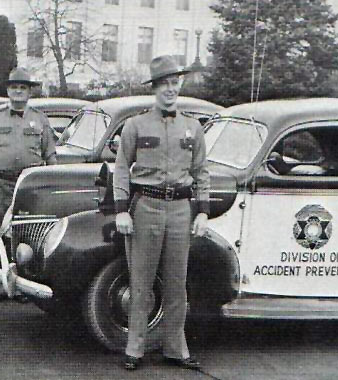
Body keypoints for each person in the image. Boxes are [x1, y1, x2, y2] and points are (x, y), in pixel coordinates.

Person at [113, 55, 210, 371]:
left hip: (181, 209)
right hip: (147, 207)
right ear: (154, 87)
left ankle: (175, 348)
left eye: (174, 82)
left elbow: (201, 171)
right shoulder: (136, 125)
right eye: (164, 83)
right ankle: (135, 348)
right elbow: (121, 169)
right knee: (141, 281)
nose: (170, 89)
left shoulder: (192, 127)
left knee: (176, 283)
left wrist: (203, 211)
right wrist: (121, 210)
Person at [0, 67, 57, 303]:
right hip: (1, 182)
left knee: (25, 234)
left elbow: (50, 155)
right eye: (14, 87)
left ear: (29, 92)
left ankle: (23, 285)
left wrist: (50, 184)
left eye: (23, 88)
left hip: (28, 186)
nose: (18, 92)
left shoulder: (39, 119)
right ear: (8, 90)